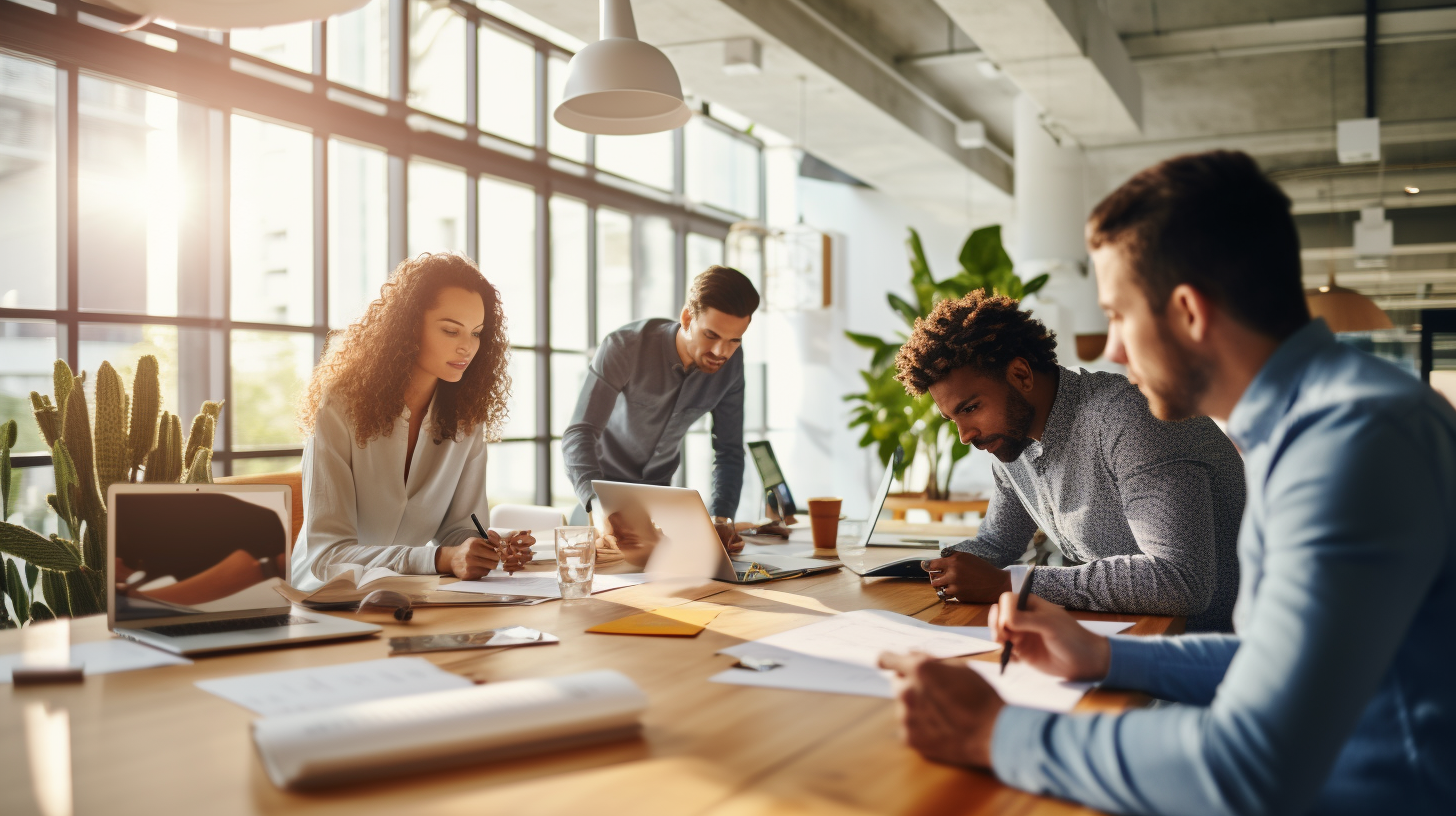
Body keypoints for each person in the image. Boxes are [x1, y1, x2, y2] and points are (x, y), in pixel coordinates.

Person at [880, 151, 1456, 815]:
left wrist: (994, 731)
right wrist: (1106, 658)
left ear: (1188, 311)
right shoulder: (1309, 424)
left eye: (1119, 314)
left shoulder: (1350, 442)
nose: (1114, 351)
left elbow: (1251, 767)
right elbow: (1267, 662)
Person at [896, 291, 1244, 631]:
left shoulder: (1128, 418)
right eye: (951, 419)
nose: (965, 435)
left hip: (1217, 658)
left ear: (1021, 375)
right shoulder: (1012, 441)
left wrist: (1015, 583)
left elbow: (1180, 581)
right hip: (1127, 640)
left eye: (970, 409)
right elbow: (995, 543)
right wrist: (928, 567)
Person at [291, 252, 533, 591]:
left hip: (411, 597)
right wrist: (437, 560)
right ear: (407, 327)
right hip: (326, 599)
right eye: (451, 330)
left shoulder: (467, 418)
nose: (467, 347)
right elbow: (328, 555)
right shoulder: (339, 406)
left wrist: (490, 545)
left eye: (476, 333)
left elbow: (458, 529)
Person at [563, 265, 761, 556]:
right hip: (603, 506)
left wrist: (721, 520)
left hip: (661, 509)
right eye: (711, 335)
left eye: (734, 340)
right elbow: (579, 434)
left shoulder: (732, 364)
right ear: (686, 318)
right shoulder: (625, 347)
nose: (721, 352)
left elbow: (729, 450)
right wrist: (597, 504)